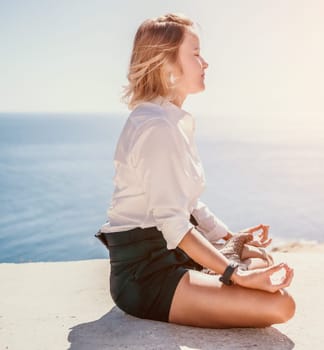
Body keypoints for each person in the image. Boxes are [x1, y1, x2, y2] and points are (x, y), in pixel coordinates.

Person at [96, 13, 295, 328]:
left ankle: (217, 266)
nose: (205, 63)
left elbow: (189, 203)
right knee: (280, 306)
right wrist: (236, 274)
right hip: (145, 275)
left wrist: (230, 237)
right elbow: (175, 223)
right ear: (167, 65)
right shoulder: (156, 127)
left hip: (173, 254)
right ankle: (213, 273)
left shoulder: (172, 120)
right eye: (196, 54)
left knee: (259, 257)